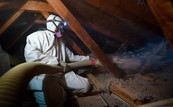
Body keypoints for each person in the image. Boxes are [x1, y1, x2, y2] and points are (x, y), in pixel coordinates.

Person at [24, 14, 101, 107]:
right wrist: (57, 61)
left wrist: (89, 59)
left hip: (61, 73)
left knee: (85, 86)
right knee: (53, 104)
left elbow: (73, 57)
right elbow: (31, 57)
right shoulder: (37, 36)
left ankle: (61, 88)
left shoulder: (60, 44)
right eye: (60, 25)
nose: (61, 28)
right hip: (44, 76)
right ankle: (59, 90)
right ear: (54, 24)